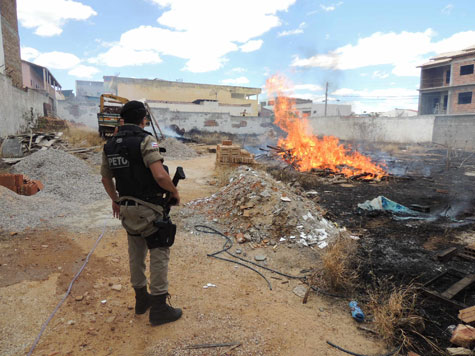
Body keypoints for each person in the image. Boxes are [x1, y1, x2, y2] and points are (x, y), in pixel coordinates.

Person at [100, 100, 182, 326]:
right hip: (149, 209)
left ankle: (141, 300)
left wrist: (116, 200)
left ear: (123, 120)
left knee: (136, 254)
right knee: (159, 252)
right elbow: (160, 176)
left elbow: (106, 179)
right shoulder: (146, 140)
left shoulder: (110, 145)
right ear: (143, 119)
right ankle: (159, 308)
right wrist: (174, 193)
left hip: (126, 209)